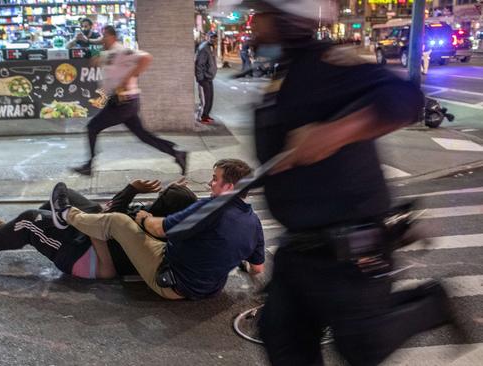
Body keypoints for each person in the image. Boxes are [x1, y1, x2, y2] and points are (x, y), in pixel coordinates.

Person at [235, 1, 458, 365]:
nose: (253, 25)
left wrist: (335, 133)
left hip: (349, 249)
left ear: (286, 20)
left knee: (361, 345)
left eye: (260, 15)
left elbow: (405, 99)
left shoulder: (329, 63)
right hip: (299, 250)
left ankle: (431, 304)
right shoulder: (285, 75)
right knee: (282, 338)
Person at [50, 159, 265, 300]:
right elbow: (258, 268)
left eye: (215, 179)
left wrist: (145, 218)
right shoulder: (253, 223)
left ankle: (66, 214)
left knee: (117, 221)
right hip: (209, 290)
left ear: (229, 187)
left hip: (172, 282)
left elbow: (160, 229)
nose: (210, 183)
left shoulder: (210, 209)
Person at [0, 178, 197, 280]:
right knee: (68, 197)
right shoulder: (165, 224)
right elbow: (109, 217)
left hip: (88, 254)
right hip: (99, 236)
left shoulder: (147, 226)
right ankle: (12, 234)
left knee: (29, 219)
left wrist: (131, 189)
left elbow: (109, 219)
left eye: (162, 196)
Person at [71, 25, 187, 176]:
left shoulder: (122, 51)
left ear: (112, 37)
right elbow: (102, 60)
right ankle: (177, 154)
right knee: (143, 136)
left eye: (104, 36)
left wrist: (128, 77)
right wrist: (97, 58)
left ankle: (89, 165)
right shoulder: (110, 53)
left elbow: (146, 58)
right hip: (123, 102)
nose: (102, 39)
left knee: (92, 127)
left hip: (123, 102)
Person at [195, 31, 218, 124]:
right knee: (205, 99)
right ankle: (201, 116)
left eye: (215, 37)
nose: (213, 39)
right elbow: (199, 64)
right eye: (211, 37)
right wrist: (200, 78)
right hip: (204, 78)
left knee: (210, 98)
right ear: (207, 37)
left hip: (208, 77)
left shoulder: (210, 47)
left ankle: (206, 115)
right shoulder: (204, 48)